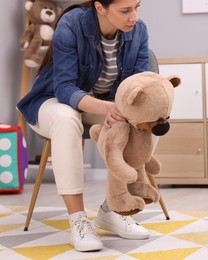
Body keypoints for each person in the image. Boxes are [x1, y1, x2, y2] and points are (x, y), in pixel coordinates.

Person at [17, 0, 153, 252]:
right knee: (67, 118)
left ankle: (113, 209)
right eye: (125, 10)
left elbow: (139, 82)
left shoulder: (139, 30)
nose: (134, 17)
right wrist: (107, 109)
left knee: (149, 120)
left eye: (137, 7)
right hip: (52, 101)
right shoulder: (72, 24)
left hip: (105, 105)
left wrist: (126, 109)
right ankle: (77, 219)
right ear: (100, 7)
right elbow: (65, 88)